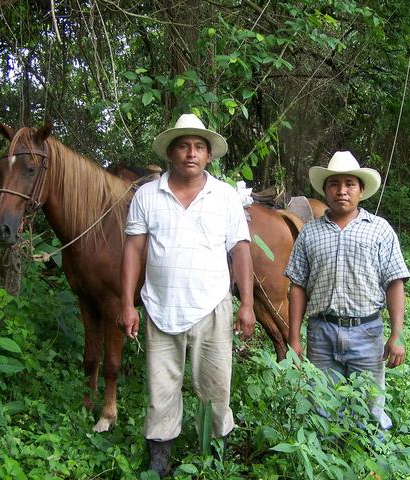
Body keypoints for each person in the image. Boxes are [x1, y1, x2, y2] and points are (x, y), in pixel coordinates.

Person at [118, 113, 256, 477]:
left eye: (198, 147)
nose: (190, 153)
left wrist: (248, 305)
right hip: (160, 305)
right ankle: (160, 456)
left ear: (209, 155)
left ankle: (215, 450)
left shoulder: (225, 196)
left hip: (213, 304)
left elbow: (240, 250)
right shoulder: (147, 195)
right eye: (183, 146)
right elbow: (133, 250)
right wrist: (125, 304)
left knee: (215, 383)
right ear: (170, 153)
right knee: (161, 385)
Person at [284, 150, 410, 433]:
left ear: (361, 190)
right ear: (325, 190)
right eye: (334, 184)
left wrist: (397, 335)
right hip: (322, 333)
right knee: (323, 408)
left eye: (349, 184)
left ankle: (372, 465)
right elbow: (297, 286)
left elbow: (395, 283)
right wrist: (294, 338)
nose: (342, 191)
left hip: (366, 332)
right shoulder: (310, 233)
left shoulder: (379, 230)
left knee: (371, 407)